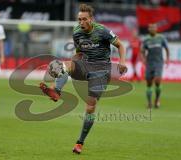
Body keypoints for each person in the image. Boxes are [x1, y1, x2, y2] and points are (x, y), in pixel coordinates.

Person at [40, 4, 127, 154]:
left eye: (84, 19)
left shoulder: (102, 31)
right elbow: (79, 52)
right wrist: (69, 66)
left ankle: (80, 142)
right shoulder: (77, 33)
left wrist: (122, 62)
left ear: (91, 19)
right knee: (59, 65)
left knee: (90, 107)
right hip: (85, 66)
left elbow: (121, 45)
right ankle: (56, 91)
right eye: (79, 19)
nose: (81, 22)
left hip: (101, 70)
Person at [141, 23, 170, 109]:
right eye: (150, 27)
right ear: (148, 29)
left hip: (159, 63)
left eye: (154, 27)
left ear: (156, 29)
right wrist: (143, 59)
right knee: (149, 83)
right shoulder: (146, 39)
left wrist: (168, 59)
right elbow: (142, 50)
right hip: (149, 63)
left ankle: (157, 100)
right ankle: (149, 103)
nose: (152, 29)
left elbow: (167, 48)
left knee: (157, 81)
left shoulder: (161, 38)